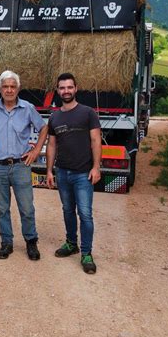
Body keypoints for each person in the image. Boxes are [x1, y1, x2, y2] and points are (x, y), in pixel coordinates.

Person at [0, 70, 48, 260]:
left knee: (27, 208)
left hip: (21, 166)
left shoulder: (28, 108)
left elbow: (44, 127)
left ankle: (31, 242)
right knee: (3, 209)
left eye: (12, 86)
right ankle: (6, 243)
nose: (9, 90)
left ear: (18, 88)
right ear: (0, 88)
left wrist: (36, 150)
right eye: (5, 86)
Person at [46, 72, 101, 274]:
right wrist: (50, 171)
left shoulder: (88, 113)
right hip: (62, 172)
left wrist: (96, 167)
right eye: (62, 88)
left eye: (69, 87)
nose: (66, 91)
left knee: (85, 214)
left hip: (83, 173)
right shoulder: (54, 116)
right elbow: (51, 145)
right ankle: (71, 243)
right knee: (67, 210)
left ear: (76, 88)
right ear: (58, 90)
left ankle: (86, 253)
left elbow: (96, 141)